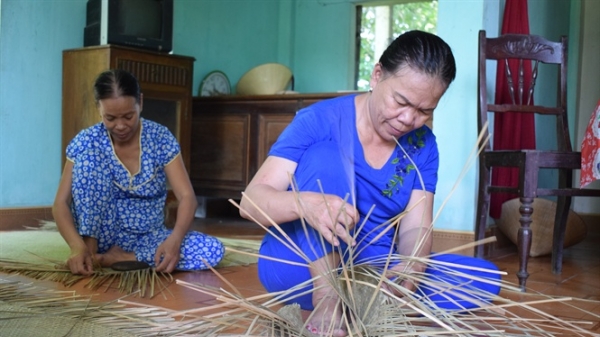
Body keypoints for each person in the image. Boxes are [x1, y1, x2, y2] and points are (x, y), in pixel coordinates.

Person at [239, 30, 501, 336]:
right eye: (401, 101)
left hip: (372, 272)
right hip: (301, 264)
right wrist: (306, 204)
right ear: (377, 75)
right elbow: (251, 202)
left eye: (424, 111)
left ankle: (363, 304)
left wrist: (410, 269)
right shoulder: (318, 121)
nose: (408, 119)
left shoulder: (423, 145)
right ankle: (328, 297)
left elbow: (416, 226)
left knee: (482, 277)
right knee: (324, 156)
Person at [53, 69, 224, 275]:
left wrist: (174, 241)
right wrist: (76, 246)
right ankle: (89, 251)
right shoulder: (86, 141)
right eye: (110, 118)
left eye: (128, 116)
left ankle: (120, 259)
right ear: (98, 108)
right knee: (89, 155)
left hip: (148, 238)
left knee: (212, 249)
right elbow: (61, 203)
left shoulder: (159, 137)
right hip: (103, 234)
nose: (121, 126)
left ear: (140, 102)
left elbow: (187, 197)